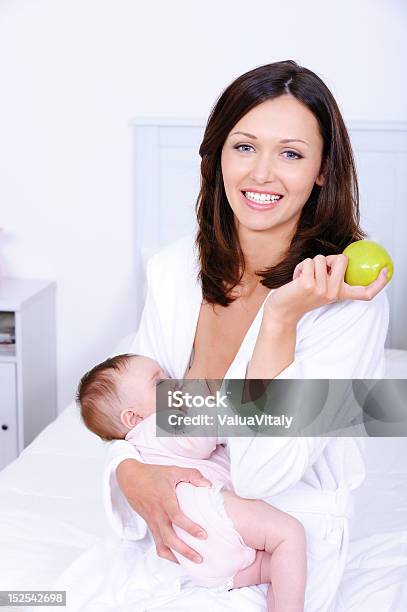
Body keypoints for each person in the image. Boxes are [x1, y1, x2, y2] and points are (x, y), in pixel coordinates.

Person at [104, 60, 390, 611]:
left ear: (322, 171)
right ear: (215, 158)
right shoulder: (171, 271)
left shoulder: (345, 302)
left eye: (290, 153)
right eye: (243, 147)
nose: (261, 174)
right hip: (179, 529)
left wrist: (280, 322)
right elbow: (134, 413)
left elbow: (263, 476)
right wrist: (128, 472)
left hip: (280, 548)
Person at [77, 353, 307, 611]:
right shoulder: (157, 424)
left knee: (276, 568)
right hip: (212, 515)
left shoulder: (137, 448)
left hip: (200, 559)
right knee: (290, 536)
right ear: (133, 418)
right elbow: (199, 439)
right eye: (158, 382)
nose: (173, 383)